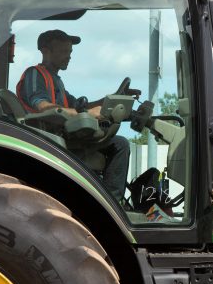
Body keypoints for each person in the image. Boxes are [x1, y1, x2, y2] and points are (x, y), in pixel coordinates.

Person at [16, 29, 129, 200]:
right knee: (120, 144)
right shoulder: (35, 74)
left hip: (62, 136)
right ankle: (111, 200)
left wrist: (112, 100)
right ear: (45, 51)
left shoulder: (56, 80)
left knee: (116, 142)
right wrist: (86, 113)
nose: (69, 56)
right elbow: (42, 106)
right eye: (63, 52)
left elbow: (80, 106)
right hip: (50, 140)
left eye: (70, 52)